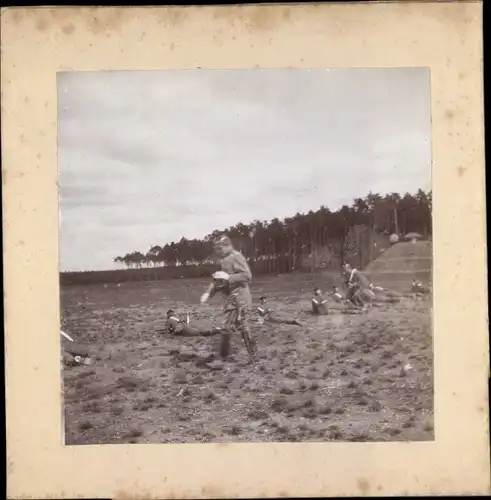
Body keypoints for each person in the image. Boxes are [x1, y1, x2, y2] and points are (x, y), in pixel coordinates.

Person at [200, 235, 257, 363]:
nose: (217, 252)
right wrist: (208, 293)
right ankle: (223, 356)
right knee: (226, 327)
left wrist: (229, 277)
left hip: (241, 297)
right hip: (230, 298)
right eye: (215, 249)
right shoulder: (223, 260)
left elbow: (248, 276)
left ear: (228, 246)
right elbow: (217, 280)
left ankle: (253, 356)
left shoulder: (236, 256)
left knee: (242, 325)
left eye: (219, 249)